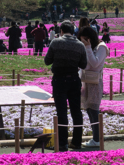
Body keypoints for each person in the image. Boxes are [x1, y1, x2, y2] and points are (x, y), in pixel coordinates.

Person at [44, 21, 88, 152]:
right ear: (73, 31)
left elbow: (47, 61)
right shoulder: (80, 45)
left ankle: (62, 143)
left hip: (59, 80)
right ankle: (77, 142)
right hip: (74, 79)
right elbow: (84, 65)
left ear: (61, 31)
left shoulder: (55, 42)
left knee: (62, 112)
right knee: (76, 111)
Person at [78, 26, 106, 149]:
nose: (83, 42)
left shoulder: (102, 47)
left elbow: (94, 63)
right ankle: (95, 138)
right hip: (86, 81)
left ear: (90, 38)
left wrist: (88, 48)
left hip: (95, 82)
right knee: (89, 109)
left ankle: (97, 139)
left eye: (84, 39)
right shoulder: (90, 47)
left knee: (94, 109)